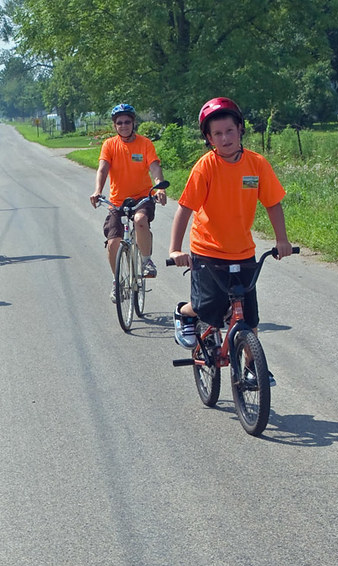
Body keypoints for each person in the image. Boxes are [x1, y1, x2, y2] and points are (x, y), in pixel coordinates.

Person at [168, 97, 293, 380]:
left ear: (240, 129)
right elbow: (185, 208)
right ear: (209, 138)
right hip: (208, 250)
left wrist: (282, 240)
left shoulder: (256, 164)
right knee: (207, 307)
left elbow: (273, 203)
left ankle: (251, 368)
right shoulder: (206, 167)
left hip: (243, 251)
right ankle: (184, 313)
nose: (225, 139)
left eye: (230, 131)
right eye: (217, 134)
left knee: (249, 317)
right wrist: (175, 249)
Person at [89, 103, 167, 303]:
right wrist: (98, 190)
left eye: (127, 122)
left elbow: (155, 168)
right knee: (113, 242)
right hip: (118, 201)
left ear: (133, 123)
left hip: (142, 197)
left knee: (140, 220)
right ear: (115, 126)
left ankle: (146, 262)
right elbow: (103, 169)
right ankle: (117, 282)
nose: (123, 126)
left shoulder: (145, 144)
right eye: (119, 123)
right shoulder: (109, 145)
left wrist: (160, 188)